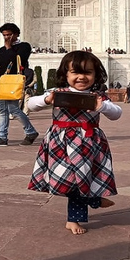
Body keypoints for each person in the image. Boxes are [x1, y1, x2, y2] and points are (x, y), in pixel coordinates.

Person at [27, 50, 122, 234]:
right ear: (65, 74)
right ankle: (91, 203)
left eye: (87, 73)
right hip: (61, 143)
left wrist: (102, 107)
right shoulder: (57, 92)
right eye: (75, 72)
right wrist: (47, 100)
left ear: (96, 75)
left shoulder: (98, 96)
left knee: (80, 178)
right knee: (72, 179)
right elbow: (31, 104)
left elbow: (117, 113)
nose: (81, 77)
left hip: (87, 143)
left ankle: (78, 214)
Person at [0, 23, 39, 146]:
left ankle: (31, 132)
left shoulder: (24, 46)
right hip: (1, 83)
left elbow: (18, 60)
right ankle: (2, 137)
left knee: (14, 110)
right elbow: (2, 65)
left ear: (16, 34)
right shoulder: (2, 50)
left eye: (8, 34)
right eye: (4, 35)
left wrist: (8, 47)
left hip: (13, 83)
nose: (6, 37)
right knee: (2, 111)